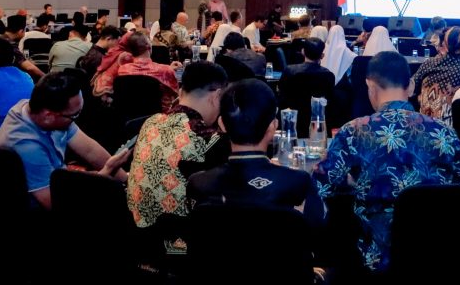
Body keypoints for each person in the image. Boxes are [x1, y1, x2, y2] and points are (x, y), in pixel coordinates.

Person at [313, 51, 460, 273]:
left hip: (376, 257)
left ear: (370, 86)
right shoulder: (444, 132)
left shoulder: (354, 131)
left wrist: (352, 182)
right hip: (441, 252)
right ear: (411, 86)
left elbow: (320, 187)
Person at [188, 78, 324, 226]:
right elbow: (314, 232)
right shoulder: (298, 182)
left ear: (222, 124)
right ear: (273, 126)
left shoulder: (199, 184)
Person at [0, 72, 129, 210]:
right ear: (48, 116)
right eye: (74, 115)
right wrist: (106, 172)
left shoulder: (42, 111)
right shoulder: (27, 146)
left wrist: (127, 181)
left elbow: (90, 150)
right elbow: (57, 204)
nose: (76, 118)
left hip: (59, 184)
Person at [127, 61, 230, 230]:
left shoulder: (150, 122)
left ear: (181, 92)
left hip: (138, 231)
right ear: (216, 96)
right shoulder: (209, 138)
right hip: (179, 239)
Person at [94, 32, 180, 110]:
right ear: (148, 46)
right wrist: (168, 68)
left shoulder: (122, 69)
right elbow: (175, 97)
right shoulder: (165, 70)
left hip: (128, 116)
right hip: (157, 118)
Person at [413, 26, 460, 122]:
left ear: (444, 44)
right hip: (451, 127)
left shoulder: (429, 63)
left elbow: (411, 88)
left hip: (424, 124)